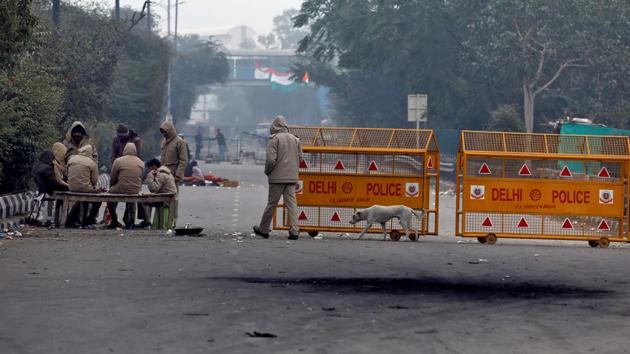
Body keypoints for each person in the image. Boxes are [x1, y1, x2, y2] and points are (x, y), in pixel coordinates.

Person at [253, 116, 303, 240]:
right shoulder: (295, 139)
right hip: (291, 178)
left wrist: (268, 172)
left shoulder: (274, 139)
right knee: (292, 204)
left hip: (277, 178)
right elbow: (301, 158)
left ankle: (264, 229)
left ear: (274, 126)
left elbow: (271, 160)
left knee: (271, 204)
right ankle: (295, 230)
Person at [107, 143, 144, 229]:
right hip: (135, 189)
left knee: (109, 197)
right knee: (132, 200)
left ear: (125, 150)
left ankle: (114, 219)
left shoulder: (118, 161)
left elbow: (112, 178)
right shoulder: (141, 162)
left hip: (120, 188)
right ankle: (130, 222)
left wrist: (112, 186)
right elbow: (141, 177)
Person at [159, 121, 188, 226]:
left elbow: (183, 160)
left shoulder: (180, 142)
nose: (164, 134)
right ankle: (162, 222)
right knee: (162, 198)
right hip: (162, 174)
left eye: (165, 132)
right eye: (162, 132)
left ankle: (173, 221)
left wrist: (178, 175)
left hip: (173, 175)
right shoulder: (164, 142)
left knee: (173, 199)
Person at [66, 145, 101, 228]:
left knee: (80, 199)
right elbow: (95, 180)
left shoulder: (71, 159)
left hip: (71, 188)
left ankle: (71, 220)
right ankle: (89, 220)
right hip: (85, 188)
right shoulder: (91, 163)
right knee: (98, 201)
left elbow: (67, 173)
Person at [145, 158, 178, 228]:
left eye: (150, 169)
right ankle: (150, 222)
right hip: (169, 197)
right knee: (148, 201)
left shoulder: (161, 174)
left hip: (166, 200)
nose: (149, 171)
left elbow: (153, 189)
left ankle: (147, 222)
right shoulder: (167, 173)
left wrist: (150, 177)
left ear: (154, 167)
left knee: (144, 202)